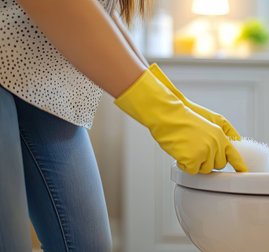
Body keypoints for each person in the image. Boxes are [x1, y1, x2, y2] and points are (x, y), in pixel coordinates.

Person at [0, 0, 247, 251]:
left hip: (41, 84)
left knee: (88, 245)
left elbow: (100, 11)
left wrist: (178, 104)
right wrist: (165, 114)